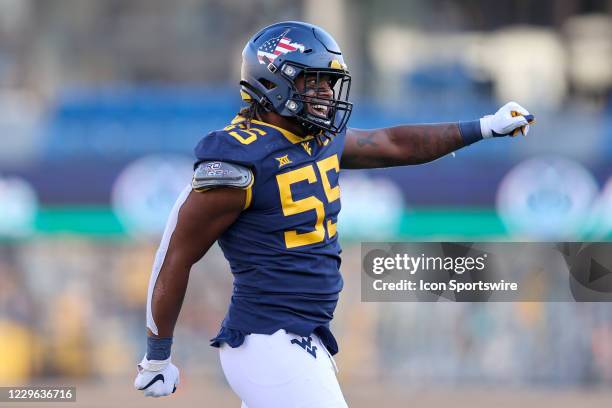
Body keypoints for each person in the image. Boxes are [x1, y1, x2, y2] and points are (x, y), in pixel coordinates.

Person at [133, 21, 534, 407]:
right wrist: (157, 356)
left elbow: (393, 143)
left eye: (329, 81)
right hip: (267, 342)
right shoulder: (239, 159)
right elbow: (175, 253)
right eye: (314, 81)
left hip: (301, 339)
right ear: (273, 80)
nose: (326, 92)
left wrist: (483, 127)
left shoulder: (316, 138)